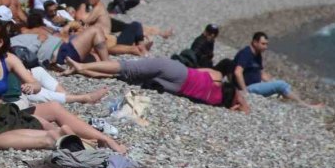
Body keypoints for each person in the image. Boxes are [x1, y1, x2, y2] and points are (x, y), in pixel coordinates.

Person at [0, 19, 126, 153]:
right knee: (42, 122)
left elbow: (34, 83)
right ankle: (80, 141)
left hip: (12, 109)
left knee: (54, 108)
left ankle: (104, 139)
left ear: (0, 42)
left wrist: (31, 87)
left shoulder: (9, 59)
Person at [63, 56, 249, 112]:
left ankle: (81, 66)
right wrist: (240, 106)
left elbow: (198, 71)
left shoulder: (216, 76)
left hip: (178, 72)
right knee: (122, 76)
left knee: (126, 67)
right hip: (175, 89)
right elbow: (244, 107)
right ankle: (80, 70)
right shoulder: (215, 101)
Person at [233, 32, 322, 108]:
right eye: (263, 44)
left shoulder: (257, 54)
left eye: (266, 44)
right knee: (281, 84)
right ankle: (306, 106)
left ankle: (293, 102)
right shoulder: (246, 53)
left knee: (282, 85)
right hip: (249, 88)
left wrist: (272, 83)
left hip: (256, 84)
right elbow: (237, 72)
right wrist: (245, 91)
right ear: (255, 42)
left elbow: (262, 74)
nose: (266, 47)